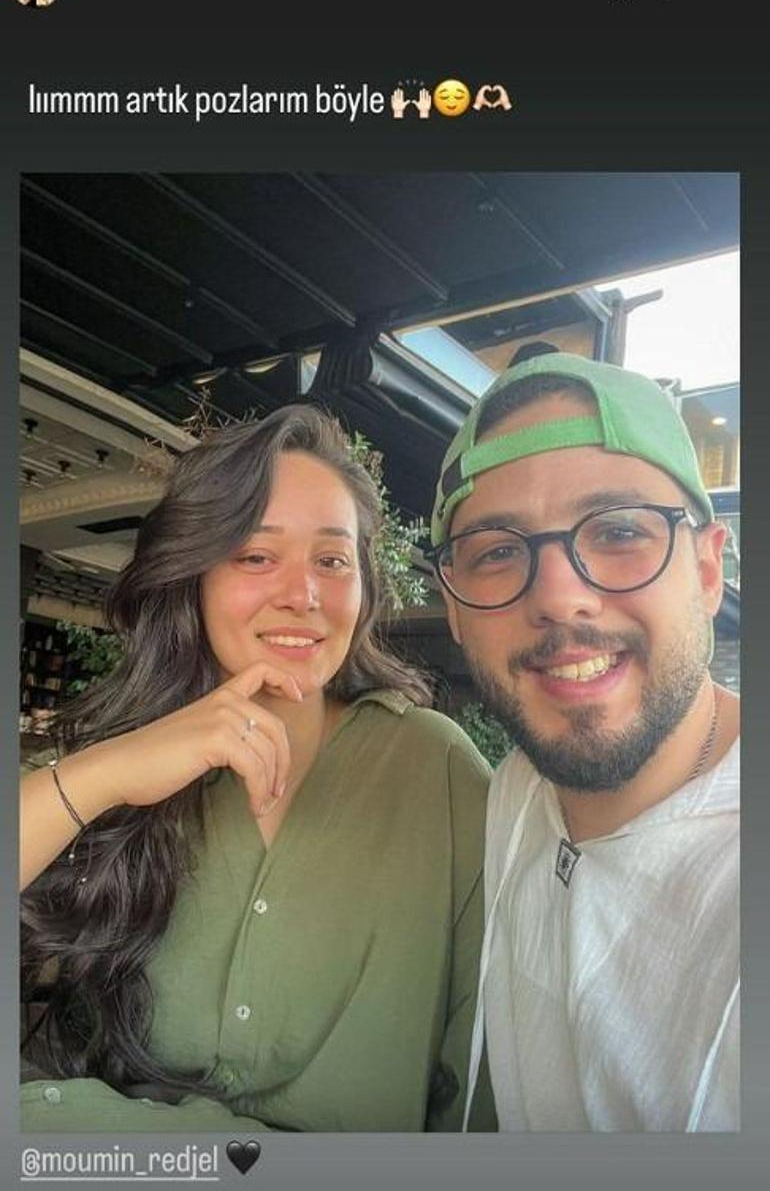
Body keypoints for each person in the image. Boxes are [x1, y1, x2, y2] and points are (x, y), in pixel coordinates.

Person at [20, 405, 495, 1133]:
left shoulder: (438, 770)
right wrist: (106, 772)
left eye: (332, 560)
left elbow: (482, 1091)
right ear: (195, 574)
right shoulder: (132, 764)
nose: (302, 595)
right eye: (255, 555)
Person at [429, 351, 739, 1132]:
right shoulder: (519, 786)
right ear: (455, 609)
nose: (560, 596)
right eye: (499, 550)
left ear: (707, 570)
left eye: (620, 530)